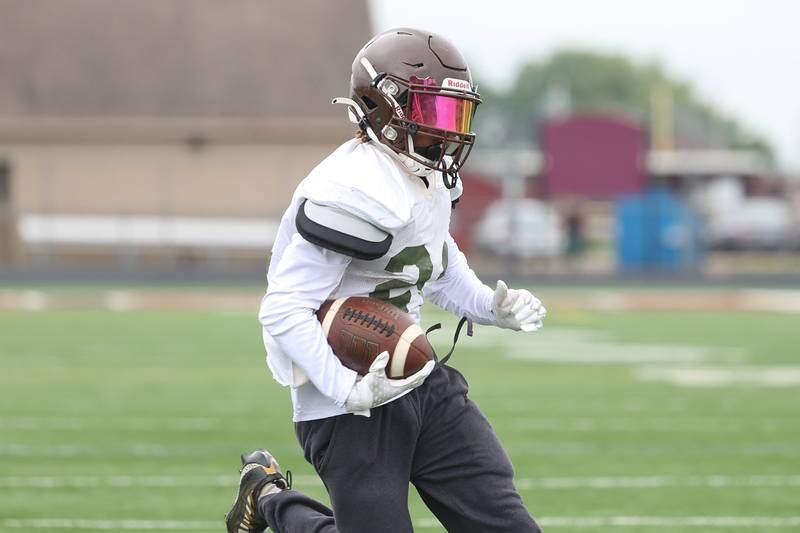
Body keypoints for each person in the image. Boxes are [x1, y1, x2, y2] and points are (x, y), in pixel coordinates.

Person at [225, 27, 546, 533]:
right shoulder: (351, 188)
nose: (449, 130)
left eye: (455, 113)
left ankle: (268, 496)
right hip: (345, 396)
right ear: (384, 109)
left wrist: (489, 306)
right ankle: (269, 498)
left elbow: (432, 263)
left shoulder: (428, 172)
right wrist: (346, 389)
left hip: (418, 374)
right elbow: (283, 308)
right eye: (435, 111)